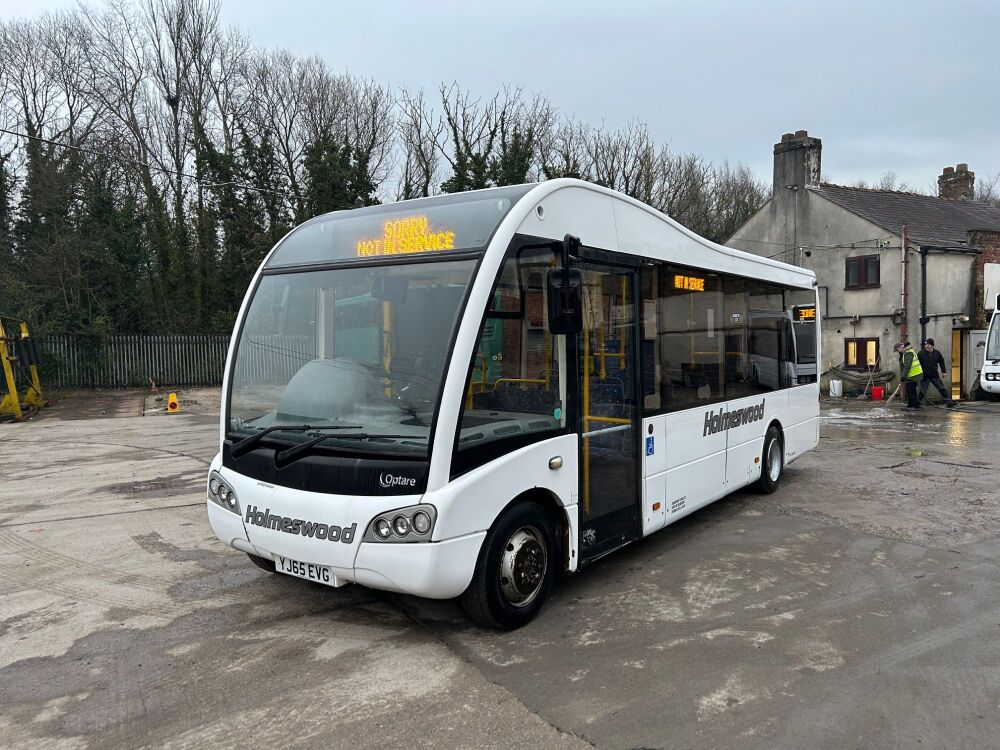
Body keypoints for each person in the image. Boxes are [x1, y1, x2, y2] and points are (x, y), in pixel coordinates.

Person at [917, 338, 955, 407]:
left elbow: (941, 362)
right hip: (924, 376)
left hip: (934, 375)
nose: (927, 346)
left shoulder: (937, 353)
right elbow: (916, 364)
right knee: (922, 391)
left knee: (942, 388)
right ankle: (918, 403)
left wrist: (943, 372)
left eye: (928, 345)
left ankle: (949, 402)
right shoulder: (920, 353)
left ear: (932, 345)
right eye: (926, 345)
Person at [894, 341, 923, 410]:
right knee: (911, 390)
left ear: (900, 348)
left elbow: (907, 365)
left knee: (910, 390)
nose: (898, 352)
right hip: (913, 374)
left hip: (914, 374)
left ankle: (913, 406)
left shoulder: (908, 353)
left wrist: (903, 376)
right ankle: (914, 405)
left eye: (897, 350)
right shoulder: (906, 352)